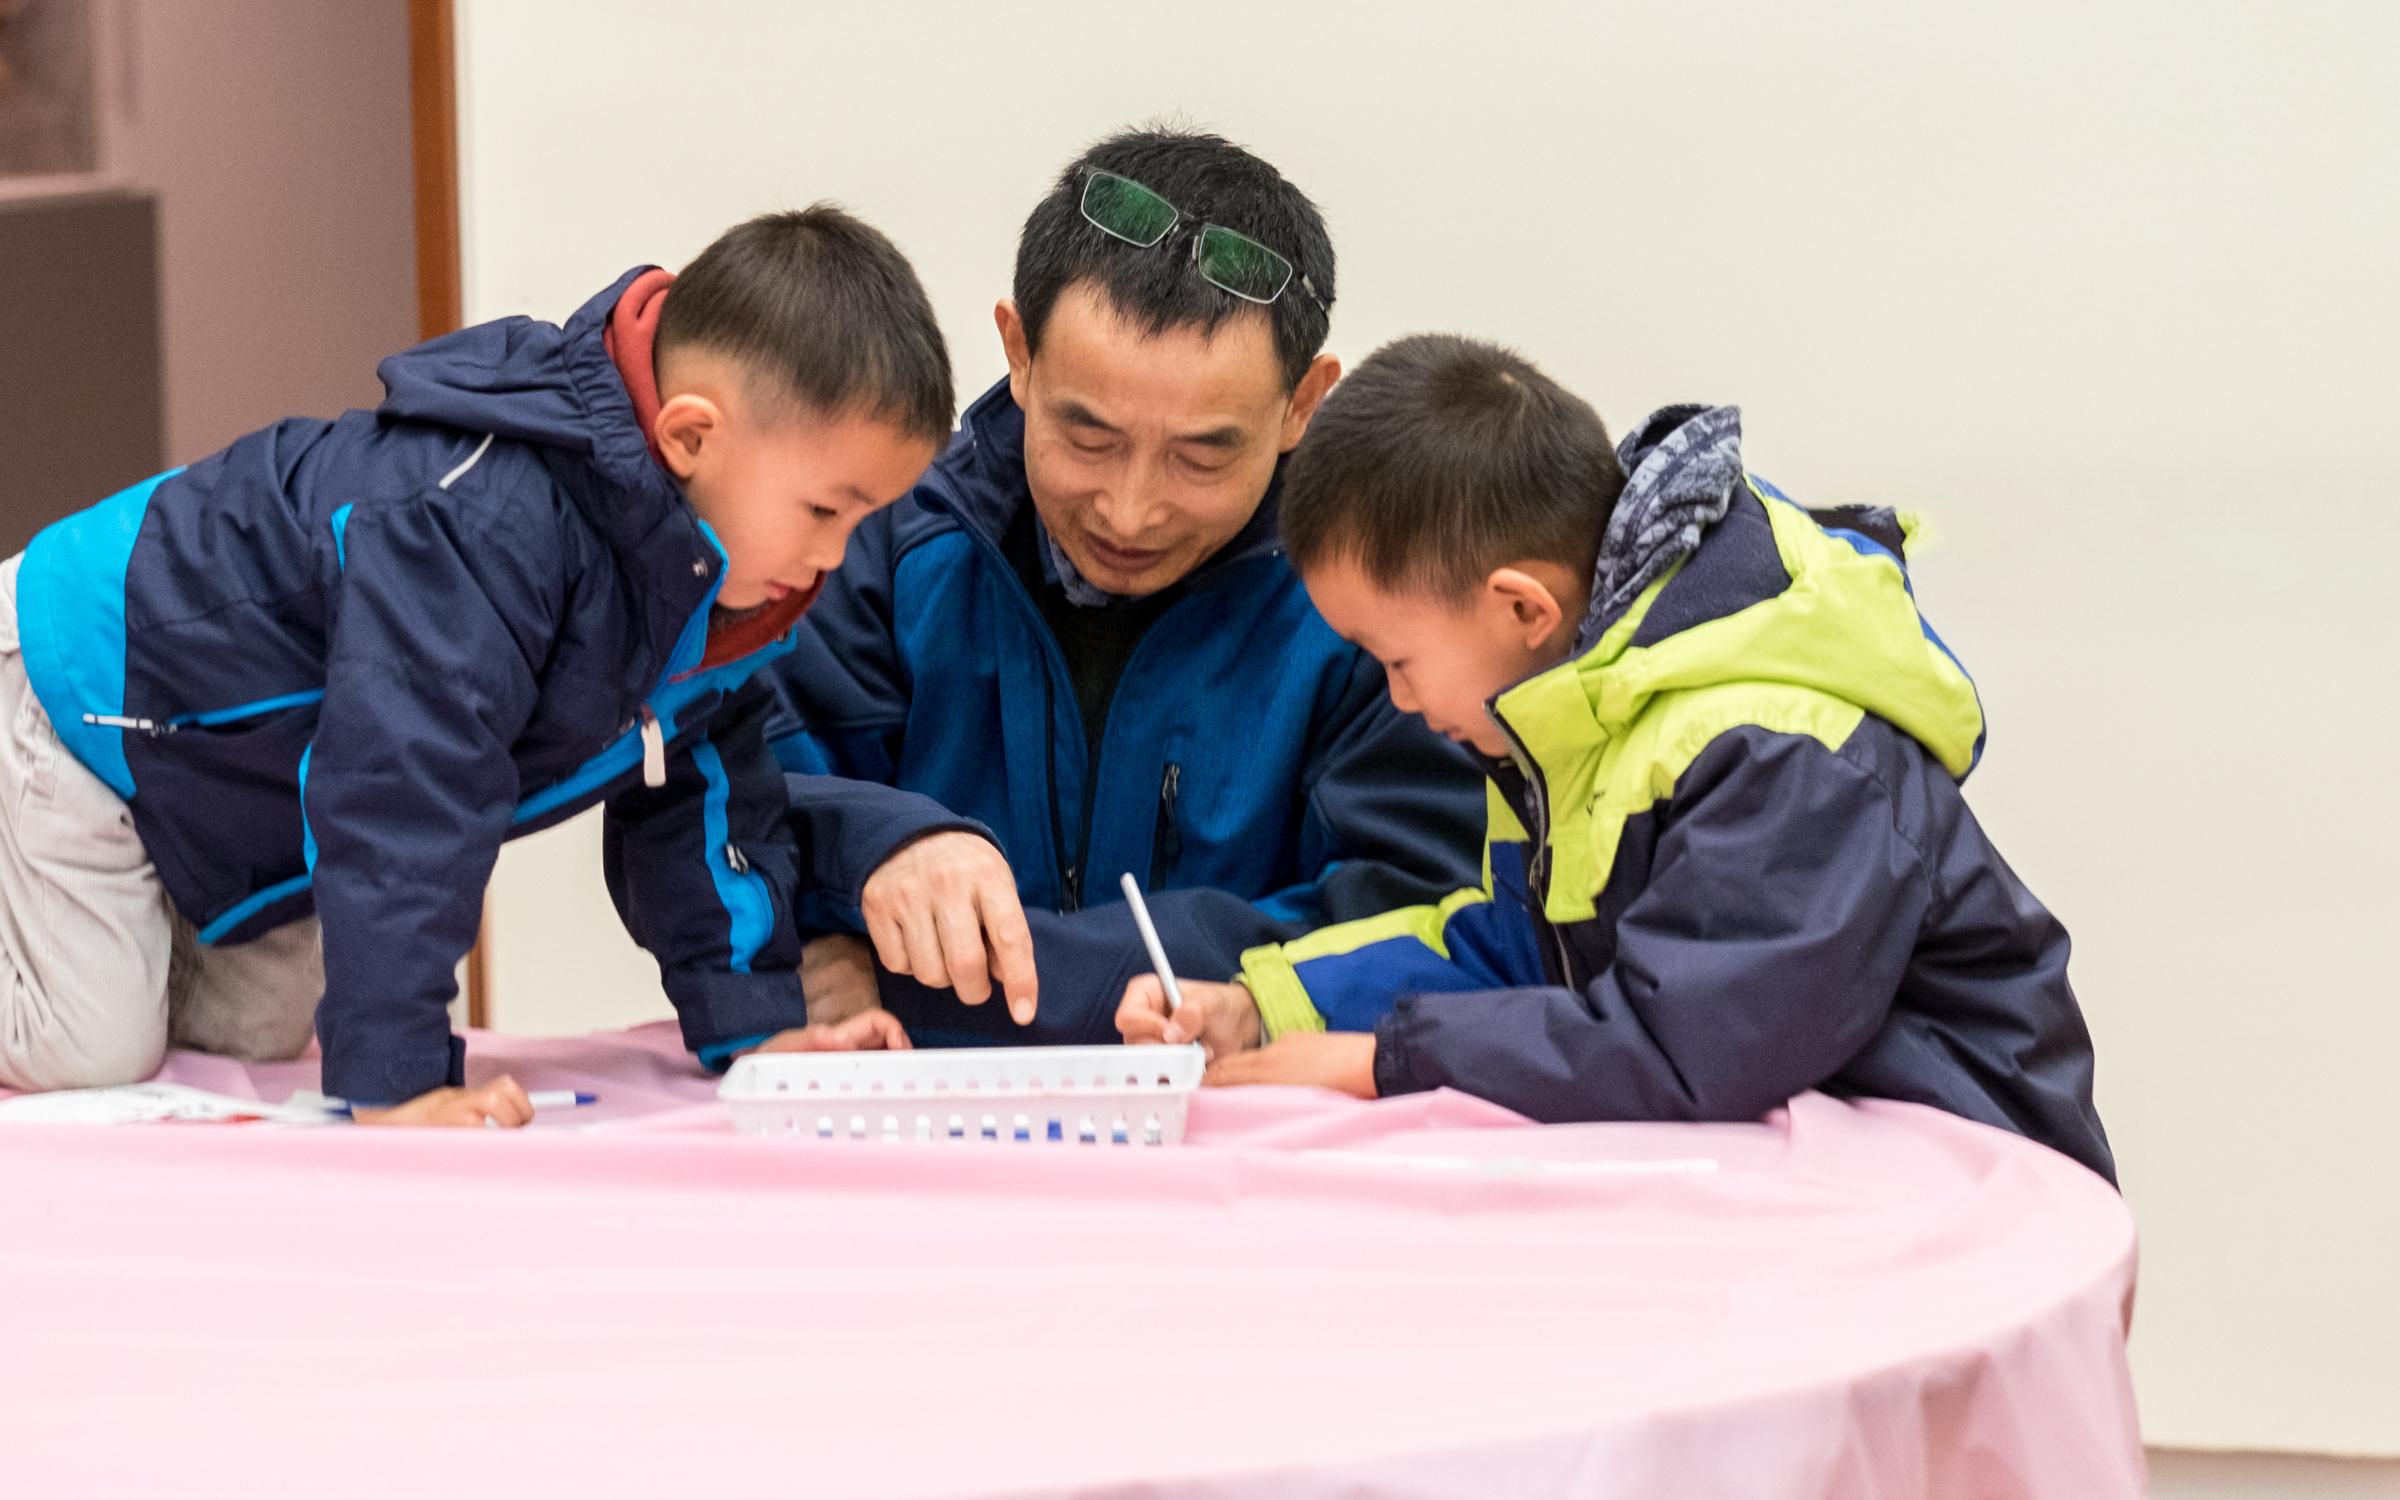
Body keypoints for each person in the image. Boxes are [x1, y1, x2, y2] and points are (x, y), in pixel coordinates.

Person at [0, 206, 973, 1124]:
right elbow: (403, 788)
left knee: (248, 1040)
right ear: (688, 435)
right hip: (84, 684)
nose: (839, 558)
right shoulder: (482, 524)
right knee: (86, 1053)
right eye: (823, 512)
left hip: (234, 779)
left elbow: (707, 809)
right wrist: (403, 1085)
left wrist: (760, 1035)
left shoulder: (715, 595)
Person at [1119, 334, 2115, 1183]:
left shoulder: (1778, 746)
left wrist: (1375, 1061)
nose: (1399, 699)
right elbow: (1521, 953)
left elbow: (1690, 1054)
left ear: (1522, 607)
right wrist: (1267, 1010)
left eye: (1399, 659)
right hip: (1799, 1162)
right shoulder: (1563, 715)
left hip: (1956, 1175)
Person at [765, 127, 1486, 1045]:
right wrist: (874, 845)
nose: (1130, 511)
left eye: (1201, 454)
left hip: (1258, 1146)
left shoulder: (1385, 600)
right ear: (1018, 353)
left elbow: (1420, 916)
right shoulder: (879, 540)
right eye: (1090, 438)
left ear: (1303, 403)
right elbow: (733, 806)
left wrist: (944, 983)